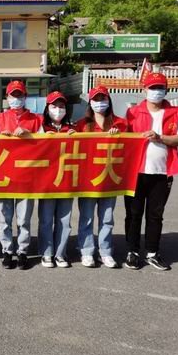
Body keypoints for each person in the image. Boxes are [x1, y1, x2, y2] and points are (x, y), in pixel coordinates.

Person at [124, 72, 178, 270]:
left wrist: (160, 137)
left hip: (162, 172)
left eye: (160, 88)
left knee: (155, 214)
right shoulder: (133, 112)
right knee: (133, 213)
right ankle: (132, 251)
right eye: (152, 87)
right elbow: (123, 138)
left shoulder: (175, 113)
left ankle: (152, 252)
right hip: (136, 172)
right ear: (144, 89)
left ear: (166, 90)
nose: (156, 91)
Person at [0, 80, 42, 270]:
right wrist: (0, 138)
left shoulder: (36, 120)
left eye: (20, 95)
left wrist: (29, 134)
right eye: (13, 95)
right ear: (7, 97)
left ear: (25, 97)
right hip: (3, 175)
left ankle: (22, 251)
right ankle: (7, 251)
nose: (16, 99)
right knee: (4, 218)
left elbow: (45, 146)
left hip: (26, 175)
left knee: (24, 219)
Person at [75, 85, 127, 268]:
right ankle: (87, 251)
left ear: (108, 100)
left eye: (102, 99)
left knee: (107, 218)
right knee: (86, 217)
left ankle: (106, 251)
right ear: (90, 102)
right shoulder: (81, 125)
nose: (99, 103)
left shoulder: (120, 123)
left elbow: (129, 147)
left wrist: (119, 136)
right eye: (96, 99)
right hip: (88, 179)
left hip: (109, 178)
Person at [37, 91, 75, 268]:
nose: (58, 110)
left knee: (64, 220)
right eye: (54, 106)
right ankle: (46, 253)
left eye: (61, 106)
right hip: (47, 182)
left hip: (66, 181)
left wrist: (76, 137)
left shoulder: (72, 129)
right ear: (47, 108)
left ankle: (61, 253)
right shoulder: (41, 128)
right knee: (46, 219)